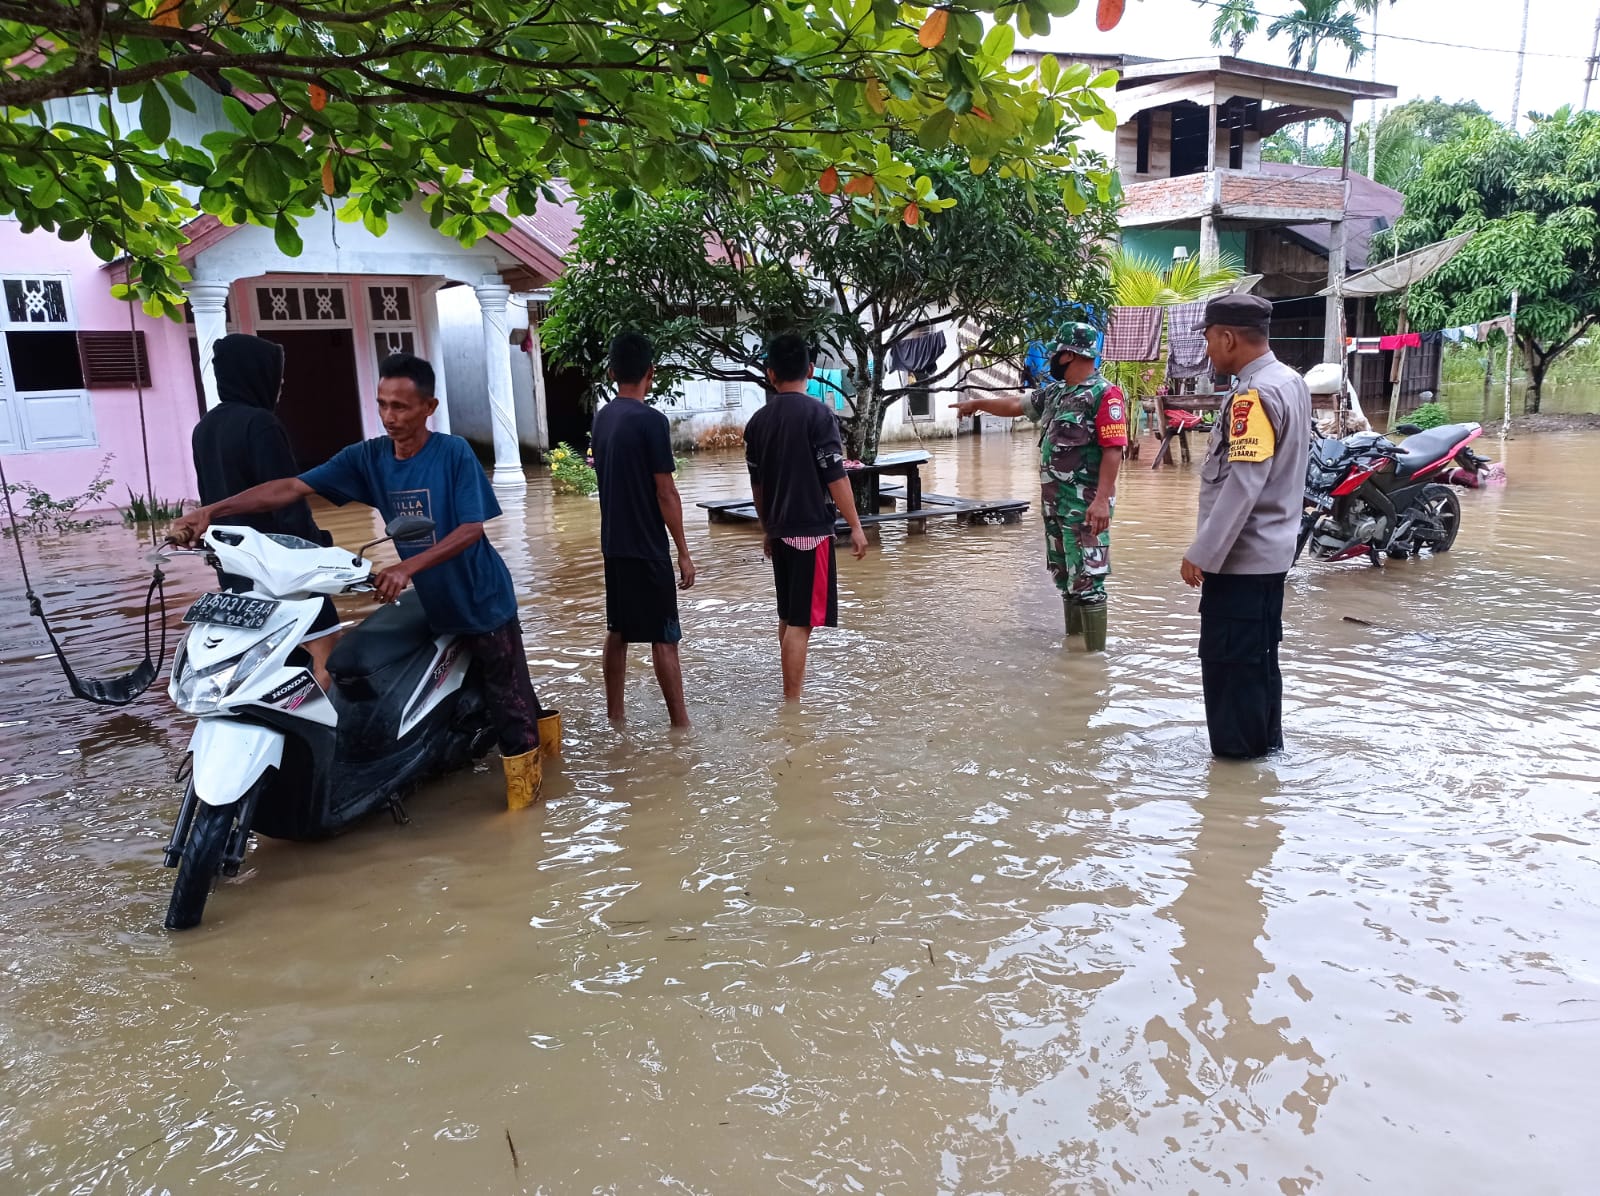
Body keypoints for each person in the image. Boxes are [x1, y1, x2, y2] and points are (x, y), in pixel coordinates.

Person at [169, 353, 555, 809]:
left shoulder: (453, 453)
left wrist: (406, 567)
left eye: (402, 407)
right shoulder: (368, 457)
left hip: (481, 597)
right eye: (383, 404)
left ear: (429, 407)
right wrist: (211, 511)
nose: (390, 417)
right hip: (432, 598)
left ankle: (526, 804)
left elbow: (472, 529)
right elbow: (290, 488)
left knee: (508, 695)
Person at [1179, 294, 1312, 759]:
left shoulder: (1252, 395)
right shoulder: (1291, 380)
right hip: (1270, 555)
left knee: (1230, 669)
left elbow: (1244, 483)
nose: (1209, 351)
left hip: (1241, 560)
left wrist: (1203, 551)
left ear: (1228, 336)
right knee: (1258, 665)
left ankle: (1238, 780)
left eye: (1211, 340)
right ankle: (1263, 762)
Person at [951, 322, 1127, 650]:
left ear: (1070, 355)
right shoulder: (1056, 394)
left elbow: (1113, 449)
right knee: (1066, 578)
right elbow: (1017, 405)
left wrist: (1103, 499)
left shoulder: (1105, 394)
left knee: (1088, 580)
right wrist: (976, 404)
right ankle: (1074, 651)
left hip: (1085, 506)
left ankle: (1092, 665)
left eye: (1057, 353)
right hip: (1055, 506)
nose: (1052, 359)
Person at [191, 333, 340, 690]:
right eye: (278, 375)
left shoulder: (204, 428)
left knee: (267, 659)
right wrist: (316, 556)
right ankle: (325, 735)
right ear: (257, 374)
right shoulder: (260, 424)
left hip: (234, 570)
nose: (281, 384)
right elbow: (285, 497)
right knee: (326, 656)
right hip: (279, 566)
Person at [743, 332, 870, 703]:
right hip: (811, 532)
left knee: (787, 615)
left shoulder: (758, 422)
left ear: (770, 374)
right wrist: (857, 527)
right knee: (801, 623)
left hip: (780, 532)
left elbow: (758, 487)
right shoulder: (819, 415)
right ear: (811, 371)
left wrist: (767, 529)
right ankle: (793, 705)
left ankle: (789, 694)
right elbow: (835, 476)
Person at [590, 332, 695, 727]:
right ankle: (681, 726)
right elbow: (665, 492)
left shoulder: (603, 418)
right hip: (648, 548)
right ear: (652, 372)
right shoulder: (651, 421)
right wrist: (683, 551)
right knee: (664, 636)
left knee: (617, 630)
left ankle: (615, 717)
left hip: (614, 546)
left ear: (613, 372)